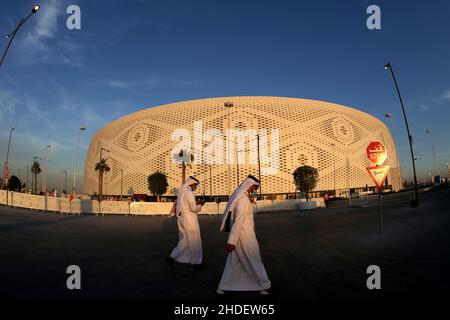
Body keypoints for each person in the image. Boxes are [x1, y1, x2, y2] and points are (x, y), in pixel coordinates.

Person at [217, 175, 271, 295]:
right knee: (254, 258)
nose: (255, 190)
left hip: (241, 234)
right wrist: (231, 241)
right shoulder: (243, 200)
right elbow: (239, 220)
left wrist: (250, 202)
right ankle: (264, 284)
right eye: (254, 187)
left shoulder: (241, 197)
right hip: (244, 235)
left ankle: (224, 285)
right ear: (249, 185)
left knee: (234, 261)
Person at [167, 176, 206, 269]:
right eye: (196, 185)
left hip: (181, 219)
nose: (196, 187)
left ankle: (172, 257)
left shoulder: (181, 190)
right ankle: (196, 263)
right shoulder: (189, 193)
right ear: (191, 183)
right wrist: (200, 205)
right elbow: (193, 209)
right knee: (195, 241)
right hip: (190, 221)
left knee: (185, 240)